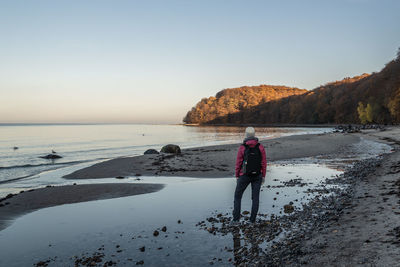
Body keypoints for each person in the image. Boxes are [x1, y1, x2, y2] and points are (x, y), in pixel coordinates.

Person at [232, 127, 267, 224]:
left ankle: (235, 220)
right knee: (255, 198)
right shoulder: (260, 147)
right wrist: (263, 175)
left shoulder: (242, 147)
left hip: (244, 175)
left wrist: (237, 175)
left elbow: (238, 163)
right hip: (257, 175)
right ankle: (252, 221)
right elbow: (263, 162)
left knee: (237, 197)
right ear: (254, 134)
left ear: (246, 135)